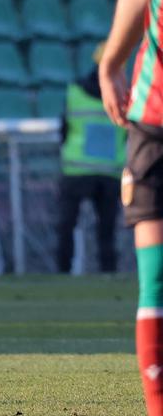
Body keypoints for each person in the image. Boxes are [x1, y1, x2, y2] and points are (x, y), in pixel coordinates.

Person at [99, 0, 163, 416]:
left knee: (156, 283)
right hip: (154, 104)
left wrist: (110, 63)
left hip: (154, 103)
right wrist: (111, 63)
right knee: (156, 282)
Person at [56, 42, 125, 274]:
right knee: (106, 231)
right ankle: (108, 274)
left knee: (66, 226)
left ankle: (62, 273)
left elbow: (63, 130)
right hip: (109, 173)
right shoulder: (127, 94)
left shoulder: (75, 91)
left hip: (76, 172)